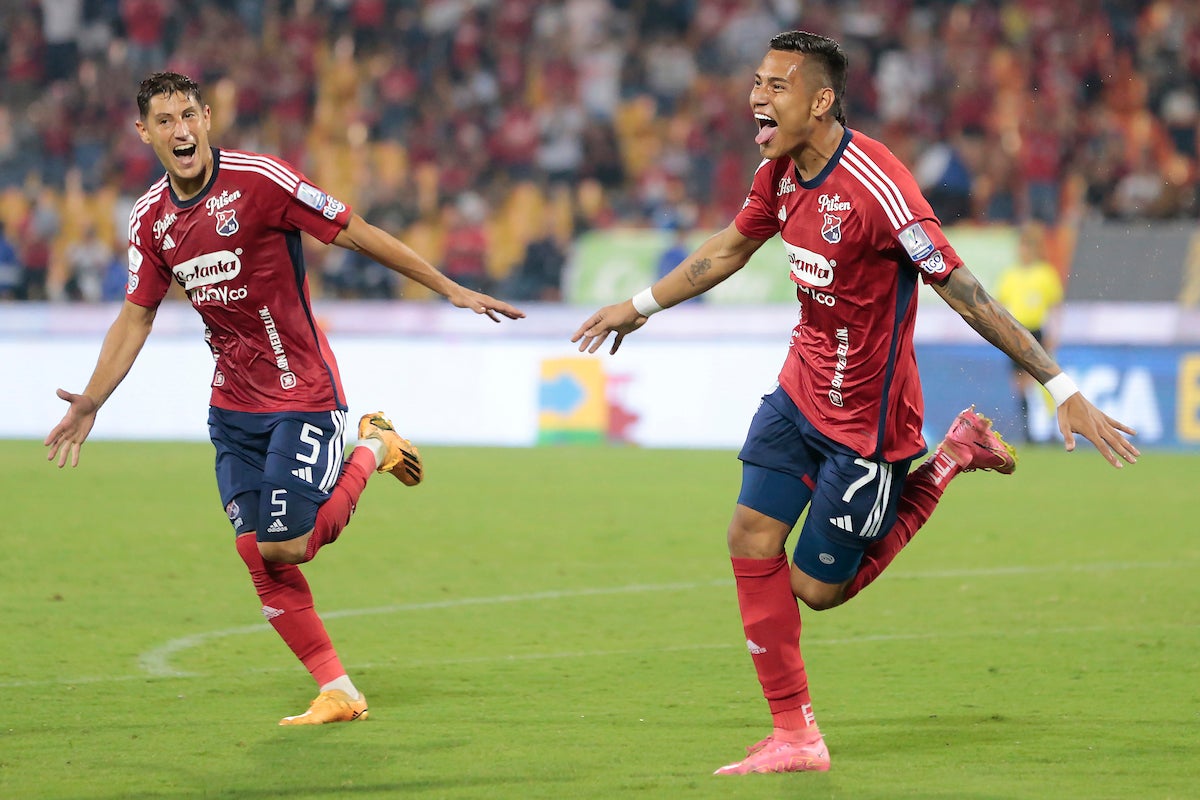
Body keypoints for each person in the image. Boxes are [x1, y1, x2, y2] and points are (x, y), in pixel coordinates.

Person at [571, 31, 1139, 775]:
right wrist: (638, 304)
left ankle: (947, 462)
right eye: (756, 82)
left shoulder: (881, 189)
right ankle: (796, 737)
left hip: (868, 426)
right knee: (749, 534)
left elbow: (964, 292)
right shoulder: (777, 174)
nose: (756, 98)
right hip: (799, 390)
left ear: (821, 98)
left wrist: (1057, 384)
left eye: (775, 86)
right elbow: (731, 248)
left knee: (816, 589)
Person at [44, 72, 524, 726]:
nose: (181, 131)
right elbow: (136, 317)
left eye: (189, 115)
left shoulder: (260, 180)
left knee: (288, 543)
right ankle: (339, 690)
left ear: (208, 117)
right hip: (232, 408)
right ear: (145, 132)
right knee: (256, 551)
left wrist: (450, 288)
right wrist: (93, 399)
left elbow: (353, 230)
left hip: (302, 391)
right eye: (165, 120)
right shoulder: (151, 219)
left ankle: (372, 447)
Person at [994, 223, 1065, 441]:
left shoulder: (1045, 273)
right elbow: (999, 306)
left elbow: (1055, 307)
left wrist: (1054, 333)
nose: (1022, 251)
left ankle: (1053, 429)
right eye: (1021, 247)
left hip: (1036, 332)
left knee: (1044, 382)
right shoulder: (1010, 275)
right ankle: (1028, 432)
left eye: (1026, 247)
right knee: (1019, 383)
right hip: (1016, 333)